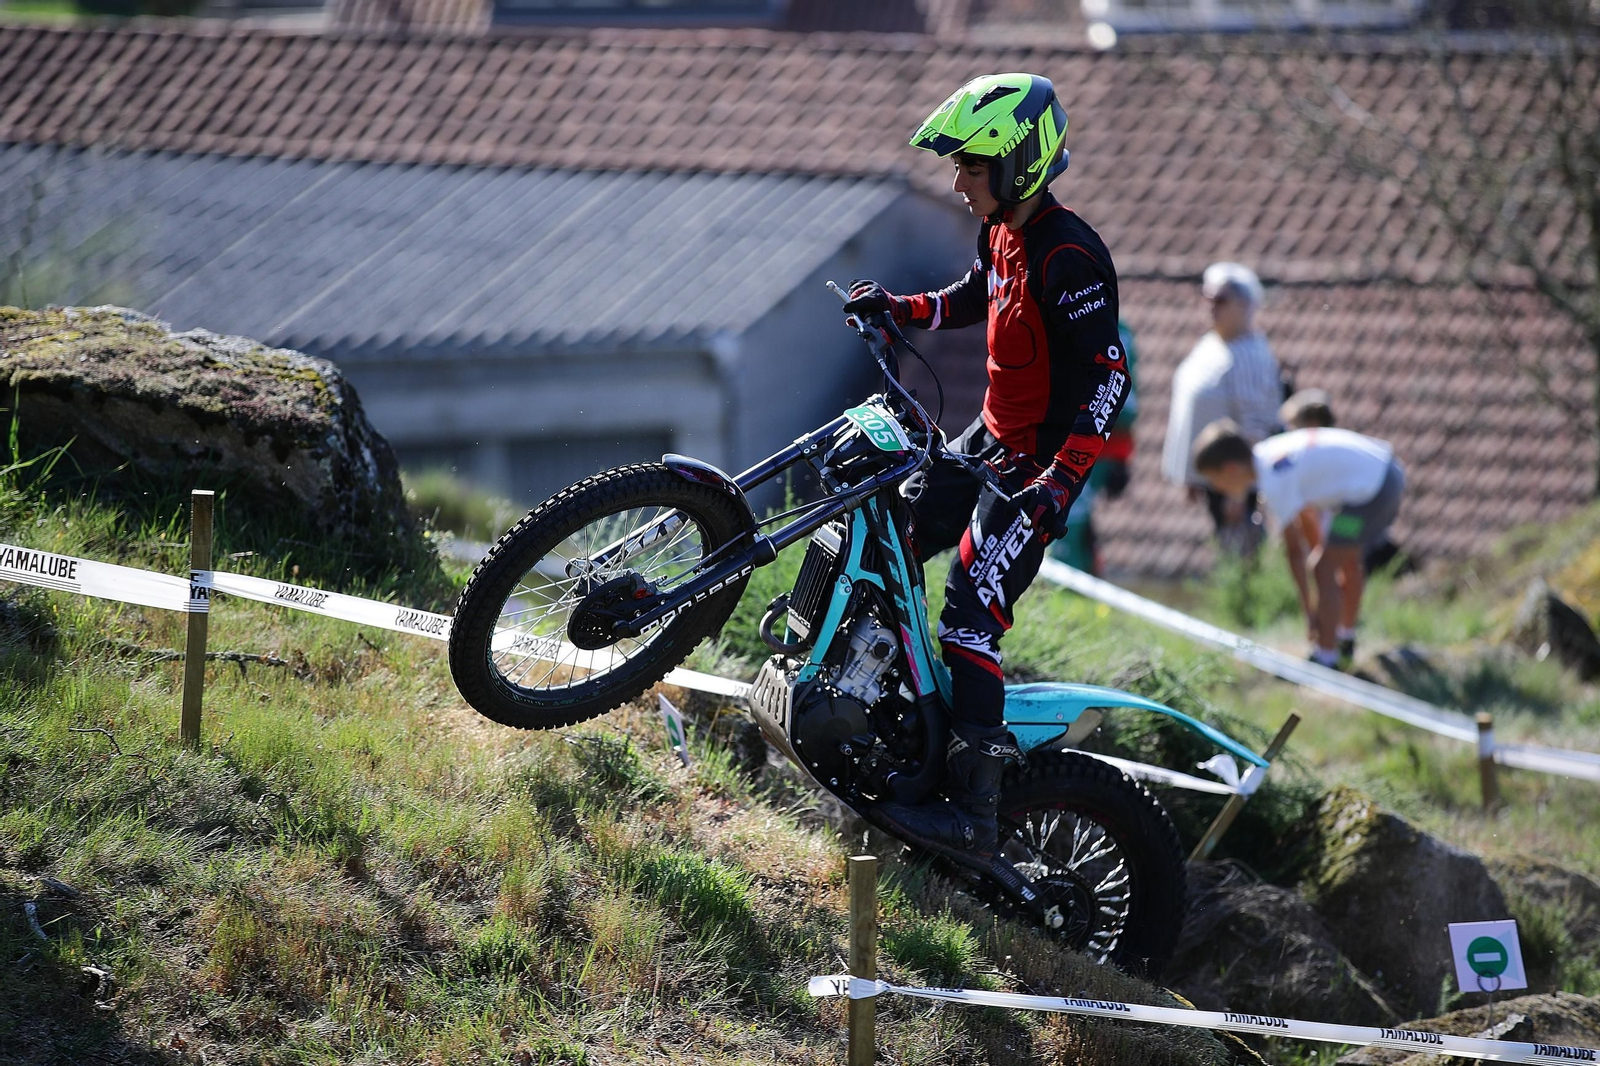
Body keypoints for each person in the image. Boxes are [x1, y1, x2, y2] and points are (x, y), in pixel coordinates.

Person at [840, 72, 1125, 859]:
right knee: (889, 535)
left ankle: (973, 814)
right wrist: (904, 309)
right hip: (987, 437)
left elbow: (1110, 378)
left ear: (1018, 164)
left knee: (970, 612)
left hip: (1035, 468)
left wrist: (1058, 484)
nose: (957, 180)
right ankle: (886, 712)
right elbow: (978, 294)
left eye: (971, 166)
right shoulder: (1001, 231)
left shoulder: (1070, 256)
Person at [1191, 419, 1405, 670]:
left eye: (1214, 480)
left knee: (1323, 567)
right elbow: (1308, 522)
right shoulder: (1269, 454)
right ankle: (1344, 641)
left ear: (1229, 469)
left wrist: (1310, 613)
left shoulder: (1272, 480)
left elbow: (1295, 552)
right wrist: (1321, 589)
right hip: (1384, 473)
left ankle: (1327, 659)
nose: (1218, 489)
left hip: (1373, 492)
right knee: (1342, 560)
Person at [1161, 262, 1281, 556]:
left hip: (1234, 478)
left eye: (1221, 300)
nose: (1211, 307)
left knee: (1241, 548)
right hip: (1214, 474)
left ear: (1245, 304)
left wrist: (1236, 493)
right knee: (1226, 545)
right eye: (1208, 298)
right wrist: (1191, 475)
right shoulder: (1211, 343)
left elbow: (1254, 427)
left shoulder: (1249, 353)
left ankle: (1246, 600)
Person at [1050, 318, 1139, 574]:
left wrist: (1120, 456)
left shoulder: (1117, 331)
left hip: (1085, 444)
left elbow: (1125, 403)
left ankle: (1069, 581)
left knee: (1072, 512)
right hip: (1061, 439)